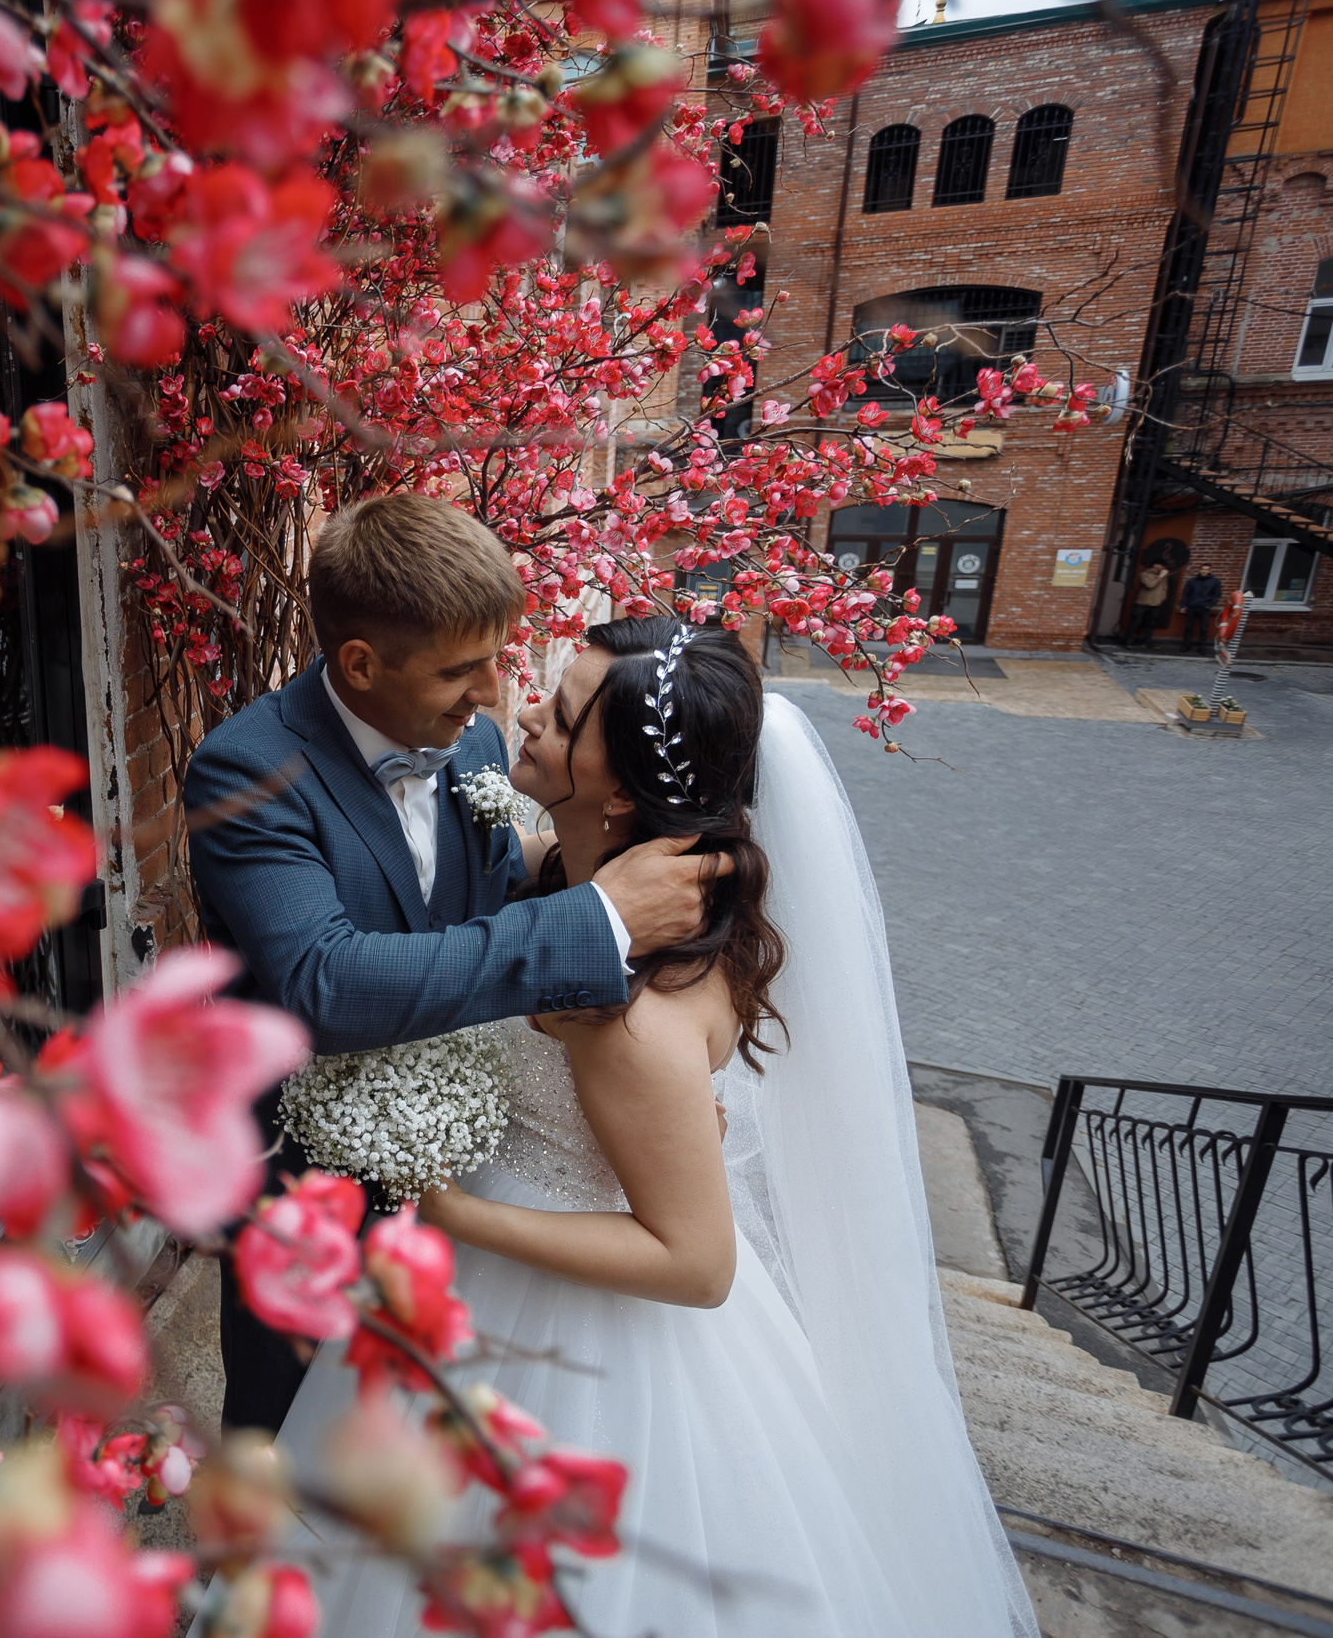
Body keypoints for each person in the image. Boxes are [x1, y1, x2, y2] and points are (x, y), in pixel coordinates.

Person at [273, 618, 1040, 1638]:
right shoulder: (586, 890)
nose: (526, 713)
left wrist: (455, 1213)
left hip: (571, 1341)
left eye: (563, 709)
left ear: (624, 788)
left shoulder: (621, 1011)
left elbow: (695, 1261)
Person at [184, 496, 717, 1435]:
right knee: (282, 1444)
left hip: (470, 1187)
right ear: (361, 663)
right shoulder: (245, 772)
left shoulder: (467, 742)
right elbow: (327, 983)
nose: (492, 695)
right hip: (307, 1198)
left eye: (497, 658)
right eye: (460, 669)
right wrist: (592, 921)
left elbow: (483, 884)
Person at [1126, 559, 1172, 648]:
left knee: (1150, 624)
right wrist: (1160, 576)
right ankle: (1129, 641)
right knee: (1136, 622)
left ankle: (1147, 642)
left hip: (1155, 604)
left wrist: (1161, 599)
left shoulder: (1163, 577)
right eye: (1161, 565)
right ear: (1155, 565)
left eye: (1163, 566)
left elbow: (1164, 588)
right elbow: (1150, 585)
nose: (1162, 568)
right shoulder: (1144, 574)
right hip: (1142, 603)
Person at [1180, 564, 1224, 654]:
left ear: (1210, 570)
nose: (1204, 571)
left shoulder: (1214, 581)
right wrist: (1183, 606)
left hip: (1204, 607)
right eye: (1203, 569)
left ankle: (1202, 647)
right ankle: (1186, 646)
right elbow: (1185, 594)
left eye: (1207, 569)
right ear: (1200, 570)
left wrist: (1210, 604)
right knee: (1188, 627)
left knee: (1204, 628)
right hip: (1192, 606)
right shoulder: (1192, 581)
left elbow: (1217, 594)